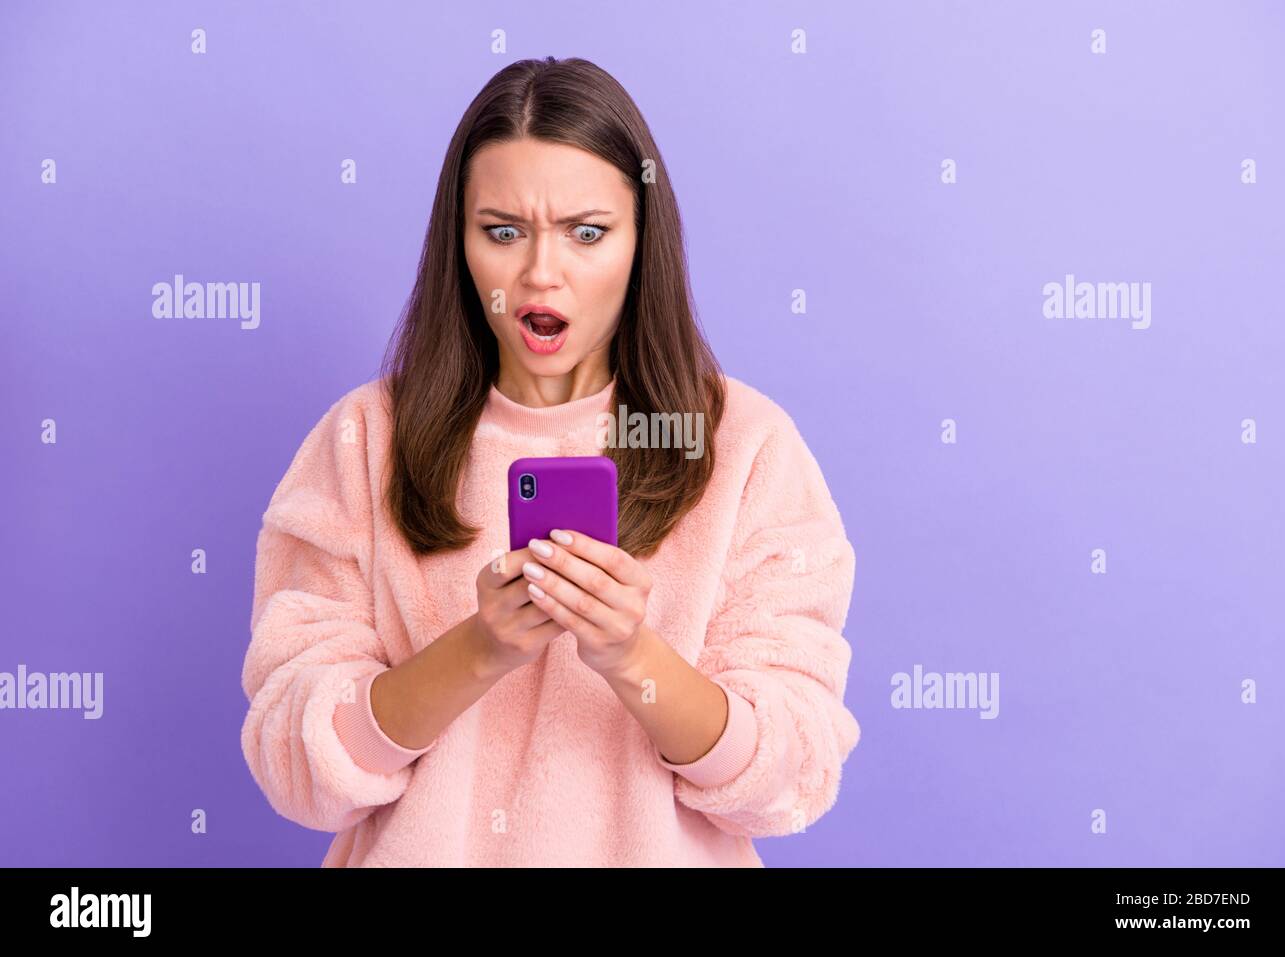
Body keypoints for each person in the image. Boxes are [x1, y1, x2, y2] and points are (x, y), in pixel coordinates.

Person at [239, 56, 861, 867]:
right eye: (502, 231)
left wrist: (632, 657)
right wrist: (479, 650)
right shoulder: (366, 439)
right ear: (458, 241)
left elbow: (792, 773)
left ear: (643, 242)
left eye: (588, 232)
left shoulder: (744, 445)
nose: (540, 271)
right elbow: (296, 766)